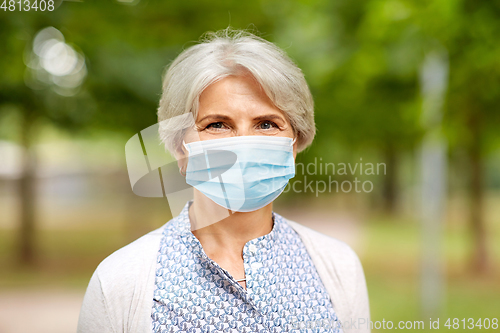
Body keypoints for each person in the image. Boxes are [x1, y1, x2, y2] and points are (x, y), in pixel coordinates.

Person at [77, 28, 370, 333]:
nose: (243, 143)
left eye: (266, 124)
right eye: (217, 125)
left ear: (294, 144)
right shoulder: (120, 282)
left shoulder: (339, 269)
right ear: (180, 149)